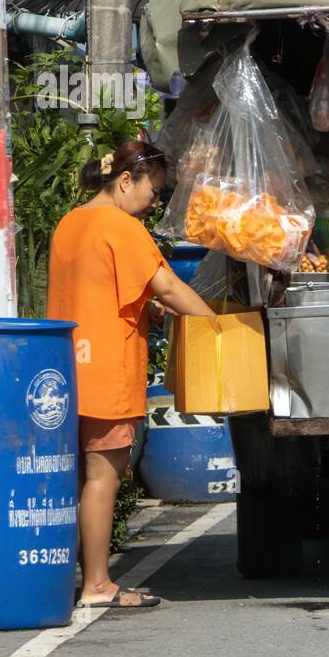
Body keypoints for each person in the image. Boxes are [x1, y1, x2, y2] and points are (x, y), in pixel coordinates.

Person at [48, 141, 217, 609]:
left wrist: (148, 311)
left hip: (65, 370)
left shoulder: (71, 223)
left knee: (79, 476)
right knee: (103, 478)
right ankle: (98, 585)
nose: (155, 202)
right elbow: (169, 285)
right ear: (127, 181)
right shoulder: (121, 226)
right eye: (155, 190)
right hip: (107, 369)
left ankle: (75, 579)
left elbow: (100, 290)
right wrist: (217, 327)